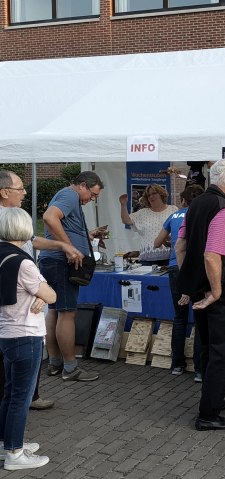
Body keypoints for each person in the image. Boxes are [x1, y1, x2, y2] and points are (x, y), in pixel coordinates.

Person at [0, 170, 82, 410]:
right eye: (19, 188)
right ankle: (16, 405)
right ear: (5, 192)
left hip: (28, 289)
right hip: (14, 296)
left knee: (31, 345)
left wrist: (61, 244)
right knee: (18, 349)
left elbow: (31, 239)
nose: (25, 192)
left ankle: (29, 396)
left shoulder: (16, 216)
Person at [175, 159, 225, 431]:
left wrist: (190, 280)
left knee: (207, 347)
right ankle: (208, 414)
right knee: (221, 353)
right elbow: (212, 254)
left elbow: (180, 246)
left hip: (198, 291)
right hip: (219, 295)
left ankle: (213, 399)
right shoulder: (222, 209)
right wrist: (216, 291)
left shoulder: (196, 205)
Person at [0, 207, 56, 470]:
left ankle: (6, 442)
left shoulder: (3, 254)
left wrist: (39, 294)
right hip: (26, 334)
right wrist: (42, 294)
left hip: (7, 333)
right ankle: (15, 453)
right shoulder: (24, 262)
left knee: (10, 393)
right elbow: (52, 295)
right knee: (21, 398)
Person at [39, 171, 104, 382]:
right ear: (82, 185)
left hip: (53, 260)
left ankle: (55, 363)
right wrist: (68, 246)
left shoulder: (68, 196)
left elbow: (61, 223)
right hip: (60, 262)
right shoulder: (70, 195)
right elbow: (49, 217)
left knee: (56, 311)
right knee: (67, 313)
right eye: (92, 194)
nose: (92, 199)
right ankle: (70, 368)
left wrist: (87, 235)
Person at [154, 185, 204, 381]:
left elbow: (156, 243)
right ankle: (199, 369)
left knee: (180, 317)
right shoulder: (202, 213)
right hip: (196, 268)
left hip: (175, 268)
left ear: (183, 201)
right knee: (200, 319)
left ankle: (177, 364)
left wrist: (173, 241)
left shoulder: (174, 216)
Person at [119, 184, 177, 266]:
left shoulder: (173, 209)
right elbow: (126, 220)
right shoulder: (143, 213)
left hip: (169, 258)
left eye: (154, 193)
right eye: (148, 195)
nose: (151, 197)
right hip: (147, 260)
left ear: (161, 194)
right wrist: (123, 205)